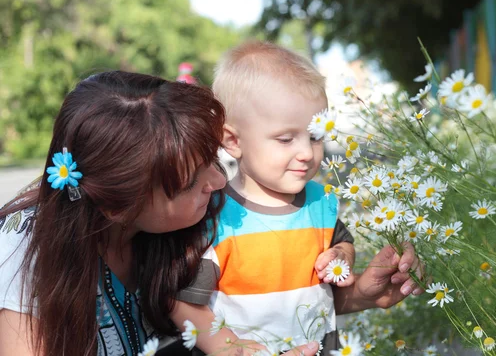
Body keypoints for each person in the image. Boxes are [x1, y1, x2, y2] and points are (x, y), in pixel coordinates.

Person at [0, 71, 321, 356]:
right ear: (118, 207)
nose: (219, 181)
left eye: (213, 158)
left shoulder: (208, 213)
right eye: (190, 183)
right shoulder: (26, 250)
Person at [169, 41, 426, 355]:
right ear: (233, 140)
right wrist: (228, 349)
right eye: (286, 138)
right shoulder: (215, 216)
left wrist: (343, 260)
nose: (306, 152)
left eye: (316, 135)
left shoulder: (320, 202)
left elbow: (339, 245)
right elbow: (184, 304)